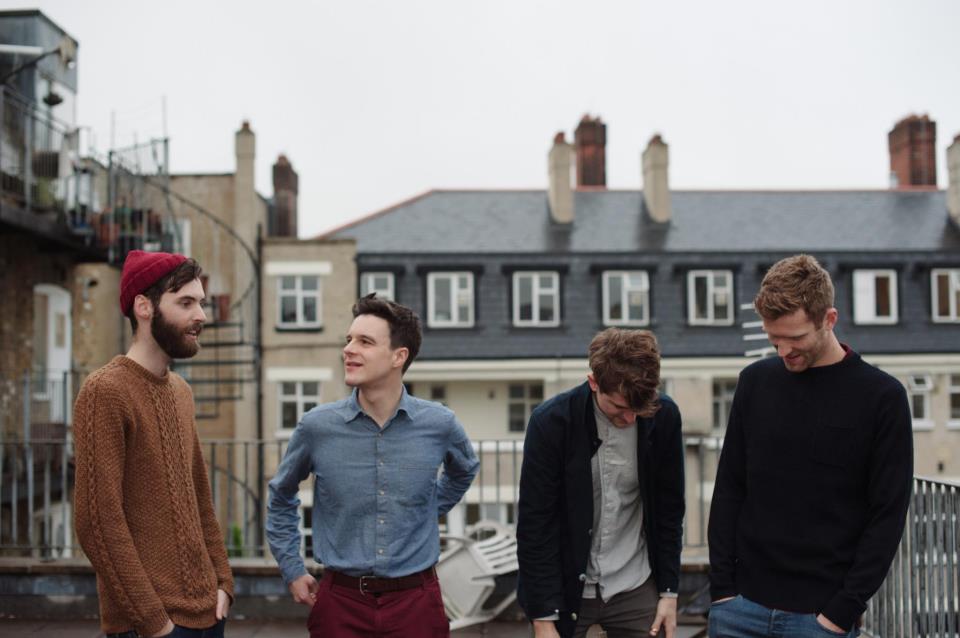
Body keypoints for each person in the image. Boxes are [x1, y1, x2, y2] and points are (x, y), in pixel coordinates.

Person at [707, 254, 913, 638]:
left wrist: (842, 611)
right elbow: (730, 488)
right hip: (738, 611)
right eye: (774, 339)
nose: (783, 351)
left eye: (796, 338)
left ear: (829, 319)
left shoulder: (882, 398)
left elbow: (887, 515)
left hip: (820, 619)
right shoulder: (754, 383)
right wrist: (722, 591)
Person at [266, 294, 479, 638]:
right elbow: (281, 496)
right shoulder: (316, 427)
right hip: (340, 604)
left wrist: (427, 507)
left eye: (365, 342)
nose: (348, 349)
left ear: (399, 356)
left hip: (416, 602)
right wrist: (292, 568)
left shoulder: (440, 423)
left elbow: (465, 468)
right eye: (349, 339)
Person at [74, 250, 233, 638]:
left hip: (209, 614)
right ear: (144, 307)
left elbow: (200, 497)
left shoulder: (180, 390)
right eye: (186, 303)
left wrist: (224, 583)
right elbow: (97, 521)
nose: (202, 315)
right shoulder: (105, 391)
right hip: (150, 626)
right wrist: (154, 622)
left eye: (201, 303)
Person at [517, 328, 685, 638]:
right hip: (565, 587)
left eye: (639, 408)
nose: (631, 418)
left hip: (636, 581)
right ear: (594, 382)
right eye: (620, 408)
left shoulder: (664, 416)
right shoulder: (551, 423)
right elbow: (535, 525)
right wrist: (542, 617)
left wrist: (669, 592)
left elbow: (669, 511)